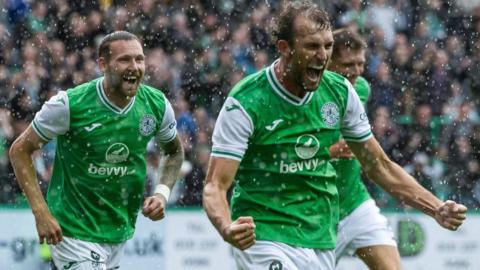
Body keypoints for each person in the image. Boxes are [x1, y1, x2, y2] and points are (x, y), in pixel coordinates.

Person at [202, 1, 467, 270]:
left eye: (327, 46)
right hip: (264, 234)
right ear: (284, 48)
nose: (322, 56)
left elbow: (379, 165)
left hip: (321, 234)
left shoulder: (340, 92)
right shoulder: (246, 102)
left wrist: (436, 208)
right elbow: (215, 185)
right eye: (312, 46)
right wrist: (226, 226)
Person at [9, 31, 184, 269]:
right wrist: (41, 213)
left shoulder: (156, 105)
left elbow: (174, 152)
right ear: (103, 64)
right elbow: (20, 150)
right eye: (124, 60)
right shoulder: (69, 105)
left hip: (117, 229)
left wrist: (162, 193)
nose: (134, 67)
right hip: (72, 229)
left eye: (139, 59)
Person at [328, 28, 401, 269]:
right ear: (327, 60)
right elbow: (286, 154)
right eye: (349, 64)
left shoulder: (361, 89)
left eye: (361, 63)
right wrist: (329, 151)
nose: (357, 71)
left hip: (353, 201)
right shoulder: (304, 92)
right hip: (314, 214)